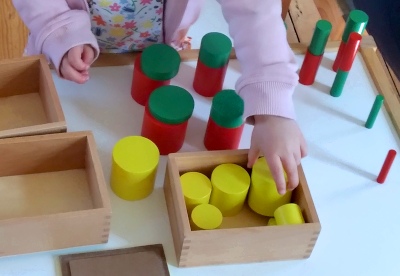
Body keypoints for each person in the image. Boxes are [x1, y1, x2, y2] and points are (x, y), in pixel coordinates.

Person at [13, 0, 307, 195]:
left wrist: (274, 108)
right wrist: (59, 32)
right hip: (62, 52)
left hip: (157, 49)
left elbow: (254, 11)